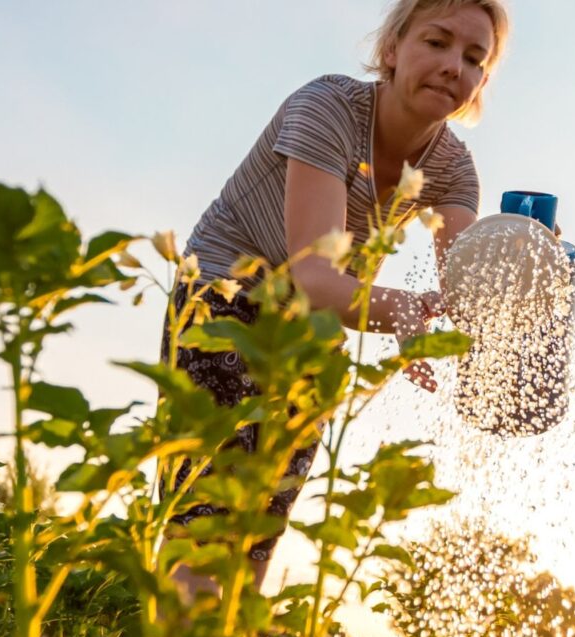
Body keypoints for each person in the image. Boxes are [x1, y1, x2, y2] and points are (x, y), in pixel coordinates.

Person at [159, 0, 511, 602]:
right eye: (438, 42)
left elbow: (464, 294)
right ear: (393, 49)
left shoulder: (453, 169)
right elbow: (311, 276)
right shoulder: (328, 108)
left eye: (474, 58)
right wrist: (400, 310)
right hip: (223, 292)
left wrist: (528, 270)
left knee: (260, 530)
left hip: (313, 327)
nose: (455, 65)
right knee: (207, 518)